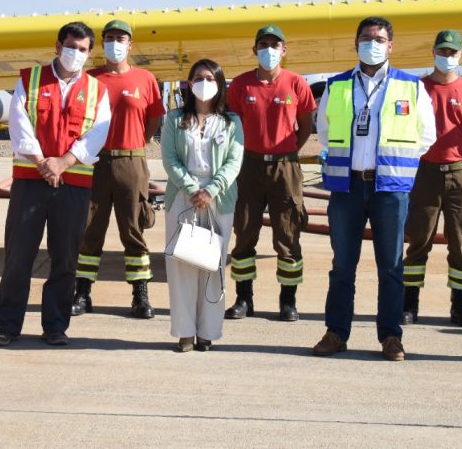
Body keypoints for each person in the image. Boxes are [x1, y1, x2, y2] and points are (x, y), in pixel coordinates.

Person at [314, 16, 435, 361]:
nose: (373, 43)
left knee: (391, 267)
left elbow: (427, 135)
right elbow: (324, 131)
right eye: (366, 38)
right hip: (347, 186)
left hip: (390, 188)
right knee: (342, 266)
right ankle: (336, 333)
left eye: (379, 38)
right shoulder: (336, 86)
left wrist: (394, 163)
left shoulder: (411, 86)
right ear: (356, 43)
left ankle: (391, 337)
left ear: (390, 45)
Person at [0, 21, 111, 347]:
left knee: (65, 258)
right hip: (31, 181)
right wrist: (43, 161)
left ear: (89, 53)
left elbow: (97, 133)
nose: (76, 54)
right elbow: (19, 125)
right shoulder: (29, 80)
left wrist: (64, 162)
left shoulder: (98, 91)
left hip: (73, 184)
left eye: (83, 50)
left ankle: (55, 326)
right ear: (58, 46)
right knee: (18, 256)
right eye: (71, 47)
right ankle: (6, 326)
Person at [72, 19, 164, 319]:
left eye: (120, 38)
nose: (115, 43)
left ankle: (140, 295)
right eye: (109, 38)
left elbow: (153, 120)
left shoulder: (145, 79)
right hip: (95, 162)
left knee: (134, 229)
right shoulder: (89, 79)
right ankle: (82, 293)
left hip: (131, 163)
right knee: (89, 230)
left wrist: (135, 144)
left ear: (130, 44)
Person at [225, 25, 316, 321]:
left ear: (284, 50)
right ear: (255, 50)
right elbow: (230, 126)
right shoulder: (240, 85)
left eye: (275, 45)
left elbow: (305, 126)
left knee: (288, 234)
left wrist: (287, 151)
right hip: (248, 165)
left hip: (285, 166)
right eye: (263, 45)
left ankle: (288, 301)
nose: (269, 50)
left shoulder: (296, 83)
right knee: (245, 231)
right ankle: (243, 299)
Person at [402, 29, 462, 328]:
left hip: (458, 176)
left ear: (460, 55)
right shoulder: (416, 88)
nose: (447, 57)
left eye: (452, 52)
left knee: (461, 242)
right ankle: (409, 304)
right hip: (424, 173)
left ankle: (459, 307)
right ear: (434, 53)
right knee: (418, 239)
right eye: (442, 51)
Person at [162, 59, 243, 352]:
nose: (204, 82)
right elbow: (170, 159)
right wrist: (192, 188)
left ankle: (208, 331)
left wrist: (211, 189)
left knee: (213, 264)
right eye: (198, 77)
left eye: (210, 77)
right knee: (181, 263)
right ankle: (184, 331)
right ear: (189, 83)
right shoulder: (174, 119)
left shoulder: (232, 122)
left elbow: (234, 161)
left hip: (219, 199)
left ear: (220, 83)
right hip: (182, 196)